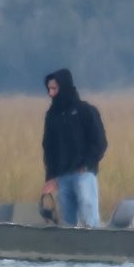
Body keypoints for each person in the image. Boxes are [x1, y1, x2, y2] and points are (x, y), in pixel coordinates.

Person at [41, 68, 108, 227]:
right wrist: (50, 177)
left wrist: (86, 165)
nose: (50, 93)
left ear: (64, 87)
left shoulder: (86, 111)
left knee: (88, 209)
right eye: (48, 89)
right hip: (62, 176)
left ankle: (93, 242)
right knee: (67, 219)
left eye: (54, 89)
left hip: (84, 173)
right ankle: (69, 248)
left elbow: (99, 142)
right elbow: (48, 148)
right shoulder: (52, 115)